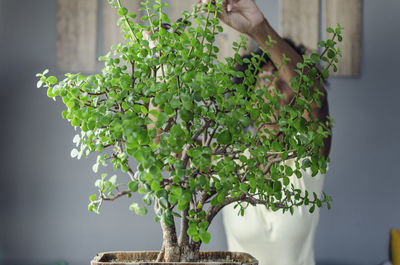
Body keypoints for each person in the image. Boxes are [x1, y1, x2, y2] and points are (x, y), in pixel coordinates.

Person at [198, 1, 331, 265]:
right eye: (263, 79)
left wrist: (259, 29)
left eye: (282, 80)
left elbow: (316, 102)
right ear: (248, 96)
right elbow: (160, 141)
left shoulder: (306, 159)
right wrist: (161, 62)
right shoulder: (228, 160)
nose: (272, 88)